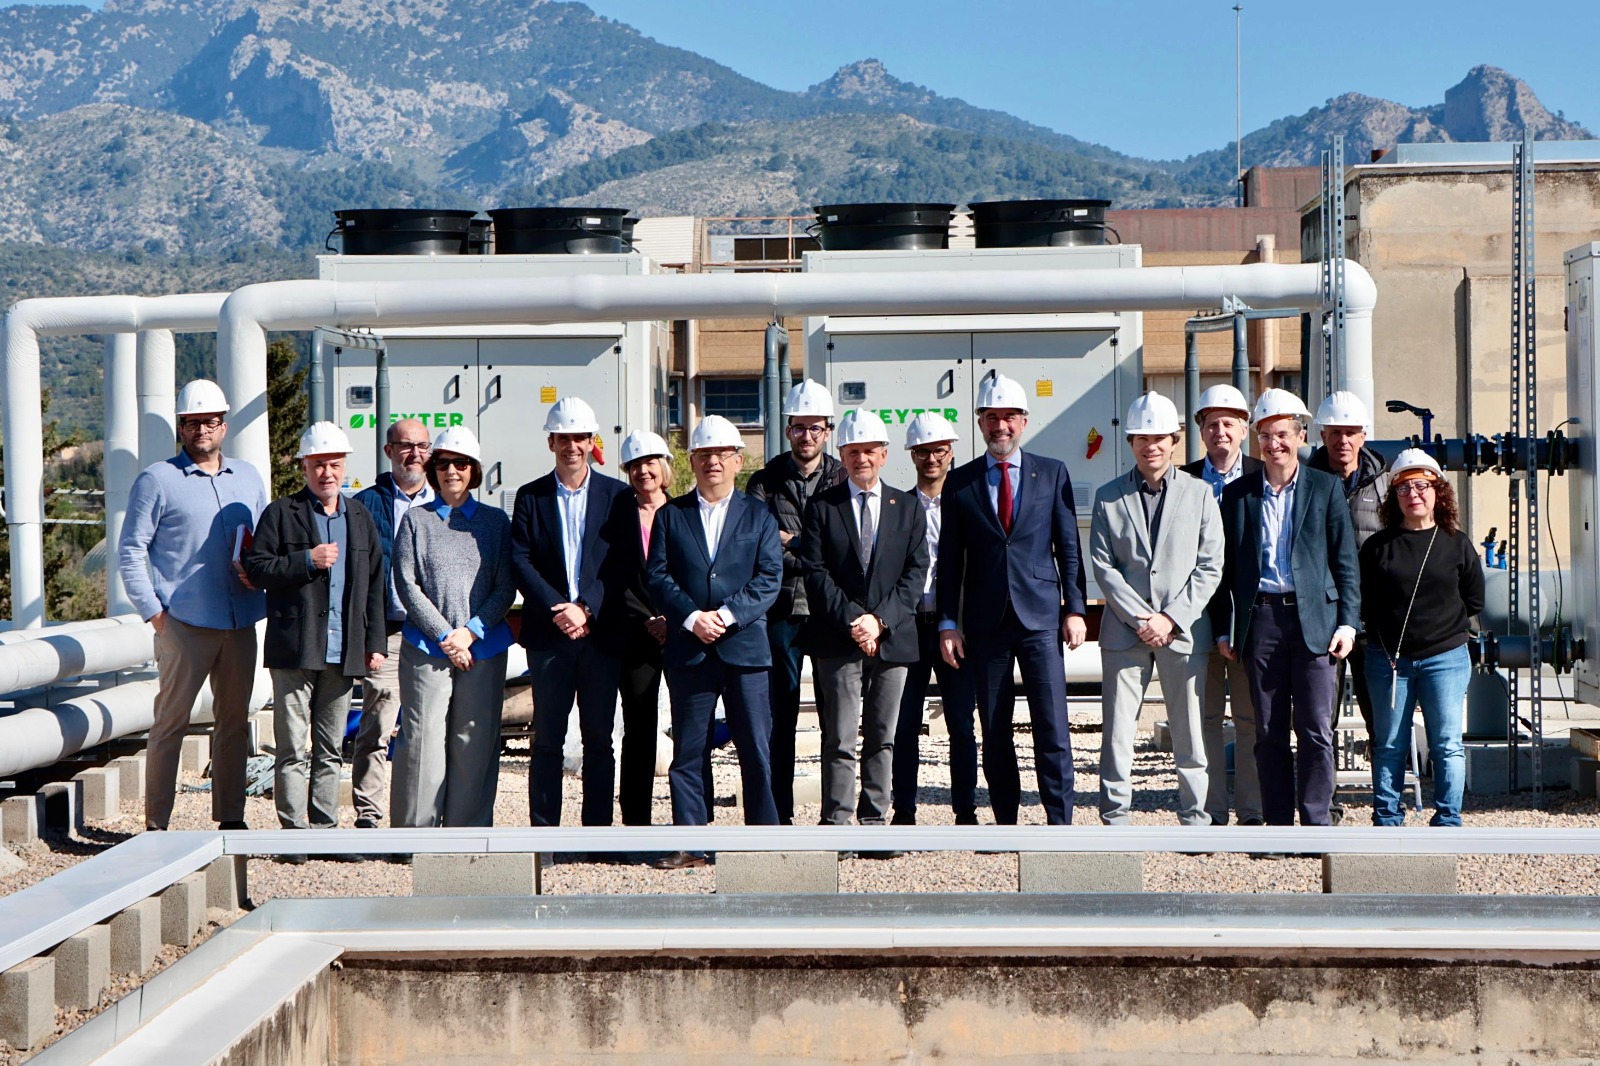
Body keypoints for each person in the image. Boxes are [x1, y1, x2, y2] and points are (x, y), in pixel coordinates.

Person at [938, 373, 1088, 826]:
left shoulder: (1052, 472)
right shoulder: (960, 482)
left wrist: (1075, 609)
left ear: (1023, 421)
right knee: (995, 729)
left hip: (1040, 618)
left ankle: (1060, 824)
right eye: (991, 417)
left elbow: (1068, 547)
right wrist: (948, 622)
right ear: (980, 423)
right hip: (986, 624)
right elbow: (949, 560)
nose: (1000, 426)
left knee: (1053, 728)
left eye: (1008, 417)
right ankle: (1006, 824)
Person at [118, 379, 266, 832]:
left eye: (210, 421)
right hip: (182, 622)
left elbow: (263, 542)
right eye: (192, 422)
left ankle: (231, 819)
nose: (202, 428)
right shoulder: (157, 480)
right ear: (181, 427)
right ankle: (157, 825)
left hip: (239, 621)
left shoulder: (248, 477)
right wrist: (155, 614)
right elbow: (130, 549)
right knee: (170, 725)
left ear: (224, 425)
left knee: (234, 723)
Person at [1210, 389, 1361, 828]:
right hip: (1262, 622)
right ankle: (1276, 827)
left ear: (1299, 437)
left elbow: (1345, 562)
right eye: (1265, 436)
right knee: (1268, 733)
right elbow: (1226, 571)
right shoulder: (1238, 495)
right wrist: (1225, 629)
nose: (1273, 444)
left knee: (1316, 730)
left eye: (1281, 435)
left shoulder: (1325, 487)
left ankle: (1316, 826)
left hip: (1314, 622)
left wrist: (1348, 624)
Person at [245, 422, 386, 861]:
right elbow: (257, 567)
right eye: (319, 464)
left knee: (329, 748)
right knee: (292, 747)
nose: (327, 472)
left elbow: (376, 584)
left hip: (343, 650)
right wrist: (307, 560)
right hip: (294, 648)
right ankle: (294, 835)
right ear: (304, 467)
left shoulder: (359, 517)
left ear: (345, 468)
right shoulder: (281, 513)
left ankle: (324, 831)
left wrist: (374, 641)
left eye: (335, 464)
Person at [646, 415, 783, 868]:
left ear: (738, 461)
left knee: (755, 748)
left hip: (744, 647)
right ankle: (691, 842)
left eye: (722, 455)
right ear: (692, 461)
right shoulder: (671, 515)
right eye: (704, 455)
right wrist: (690, 618)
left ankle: (763, 842)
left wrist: (723, 617)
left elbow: (769, 579)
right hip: (690, 649)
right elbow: (658, 576)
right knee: (688, 749)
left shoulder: (759, 515)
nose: (713, 463)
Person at [1091, 393, 1222, 826]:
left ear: (1175, 440)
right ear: (1130, 442)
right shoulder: (1110, 496)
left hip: (1181, 630)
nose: (1152, 446)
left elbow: (1210, 565)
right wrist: (1143, 618)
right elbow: (1103, 565)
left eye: (1160, 438)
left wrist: (1170, 617)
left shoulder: (1200, 494)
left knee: (1190, 733)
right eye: (1142, 438)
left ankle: (1196, 817)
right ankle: (1114, 816)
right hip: (1125, 632)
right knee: (1118, 732)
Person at [798, 410, 928, 844]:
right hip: (839, 638)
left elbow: (916, 572)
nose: (862, 459)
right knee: (839, 736)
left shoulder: (907, 506)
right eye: (853, 452)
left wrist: (880, 621)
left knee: (883, 736)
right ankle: (836, 823)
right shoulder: (822, 508)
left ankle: (874, 823)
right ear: (842, 455)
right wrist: (856, 620)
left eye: (870, 451)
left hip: (893, 640)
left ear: (885, 454)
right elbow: (815, 573)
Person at [510, 397, 634, 829]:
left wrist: (586, 608)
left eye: (580, 438)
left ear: (591, 441)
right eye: (564, 438)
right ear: (551, 442)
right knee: (547, 742)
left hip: (600, 636)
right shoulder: (531, 496)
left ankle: (597, 834)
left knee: (600, 740)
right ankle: (544, 834)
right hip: (549, 638)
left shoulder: (618, 496)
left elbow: (622, 563)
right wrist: (558, 608)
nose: (572, 446)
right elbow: (520, 560)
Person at [391, 426, 515, 828]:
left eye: (460, 464)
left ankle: (467, 834)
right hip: (428, 648)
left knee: (474, 743)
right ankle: (414, 837)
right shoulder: (415, 521)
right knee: (423, 743)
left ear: (473, 470)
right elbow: (406, 584)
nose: (451, 472)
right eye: (443, 464)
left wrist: (471, 632)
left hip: (482, 647)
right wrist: (446, 635)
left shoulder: (496, 522)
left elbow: (505, 585)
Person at [1361, 450, 1484, 827]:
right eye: (1403, 487)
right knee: (1389, 744)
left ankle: (1448, 818)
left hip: (1445, 657)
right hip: (1389, 661)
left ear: (1437, 491)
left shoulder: (1456, 543)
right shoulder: (1377, 548)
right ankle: (1387, 816)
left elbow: (1474, 598)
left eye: (1422, 486)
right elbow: (1365, 602)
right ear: (1393, 496)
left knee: (1446, 744)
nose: (1413, 494)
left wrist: (1442, 629)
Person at [746, 378, 844, 824]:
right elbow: (758, 547)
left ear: (828, 430)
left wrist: (796, 543)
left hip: (828, 613)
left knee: (835, 723)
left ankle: (833, 817)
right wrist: (812, 548)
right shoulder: (764, 481)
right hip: (780, 612)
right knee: (779, 719)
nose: (807, 436)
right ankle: (778, 817)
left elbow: (845, 546)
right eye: (799, 428)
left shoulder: (842, 477)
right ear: (788, 429)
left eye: (815, 428)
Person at [892, 413, 985, 826]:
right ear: (912, 455)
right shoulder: (899, 508)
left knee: (962, 724)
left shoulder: (966, 502)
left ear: (951, 453)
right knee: (904, 724)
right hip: (910, 628)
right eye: (924, 451)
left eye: (939, 451)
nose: (932, 458)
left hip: (956, 628)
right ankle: (904, 811)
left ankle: (965, 809)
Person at [1181, 384, 1264, 826]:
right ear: (1200, 430)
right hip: (1195, 617)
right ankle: (1211, 810)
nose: (1220, 431)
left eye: (1229, 423)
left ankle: (1251, 809)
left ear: (1243, 429)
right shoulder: (1183, 479)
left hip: (1249, 618)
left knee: (1251, 720)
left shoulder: (1263, 475)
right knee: (1205, 718)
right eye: (1211, 423)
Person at [351, 418, 434, 829]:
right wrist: (368, 634)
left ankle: (424, 813)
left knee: (429, 726)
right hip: (388, 631)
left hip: (435, 634)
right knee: (379, 722)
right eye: (405, 446)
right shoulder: (366, 504)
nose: (413, 454)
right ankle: (368, 813)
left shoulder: (445, 503)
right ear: (388, 452)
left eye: (421, 446)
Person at [1309, 390, 1392, 738]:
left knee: (1381, 716)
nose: (1343, 440)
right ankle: (1321, 794)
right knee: (1320, 719)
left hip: (1374, 617)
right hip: (1322, 615)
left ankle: (1385, 792)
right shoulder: (1303, 484)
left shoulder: (1387, 486)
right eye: (1335, 432)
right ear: (1322, 435)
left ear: (1363, 435)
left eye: (1350, 432)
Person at [615, 430, 674, 826]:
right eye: (635, 465)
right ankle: (636, 823)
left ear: (664, 467)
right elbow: (610, 575)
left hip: (681, 630)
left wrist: (672, 617)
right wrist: (645, 619)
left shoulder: (683, 511)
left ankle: (692, 820)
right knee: (639, 728)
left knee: (691, 726)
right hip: (635, 634)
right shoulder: (617, 516)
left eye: (650, 463)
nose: (643, 471)